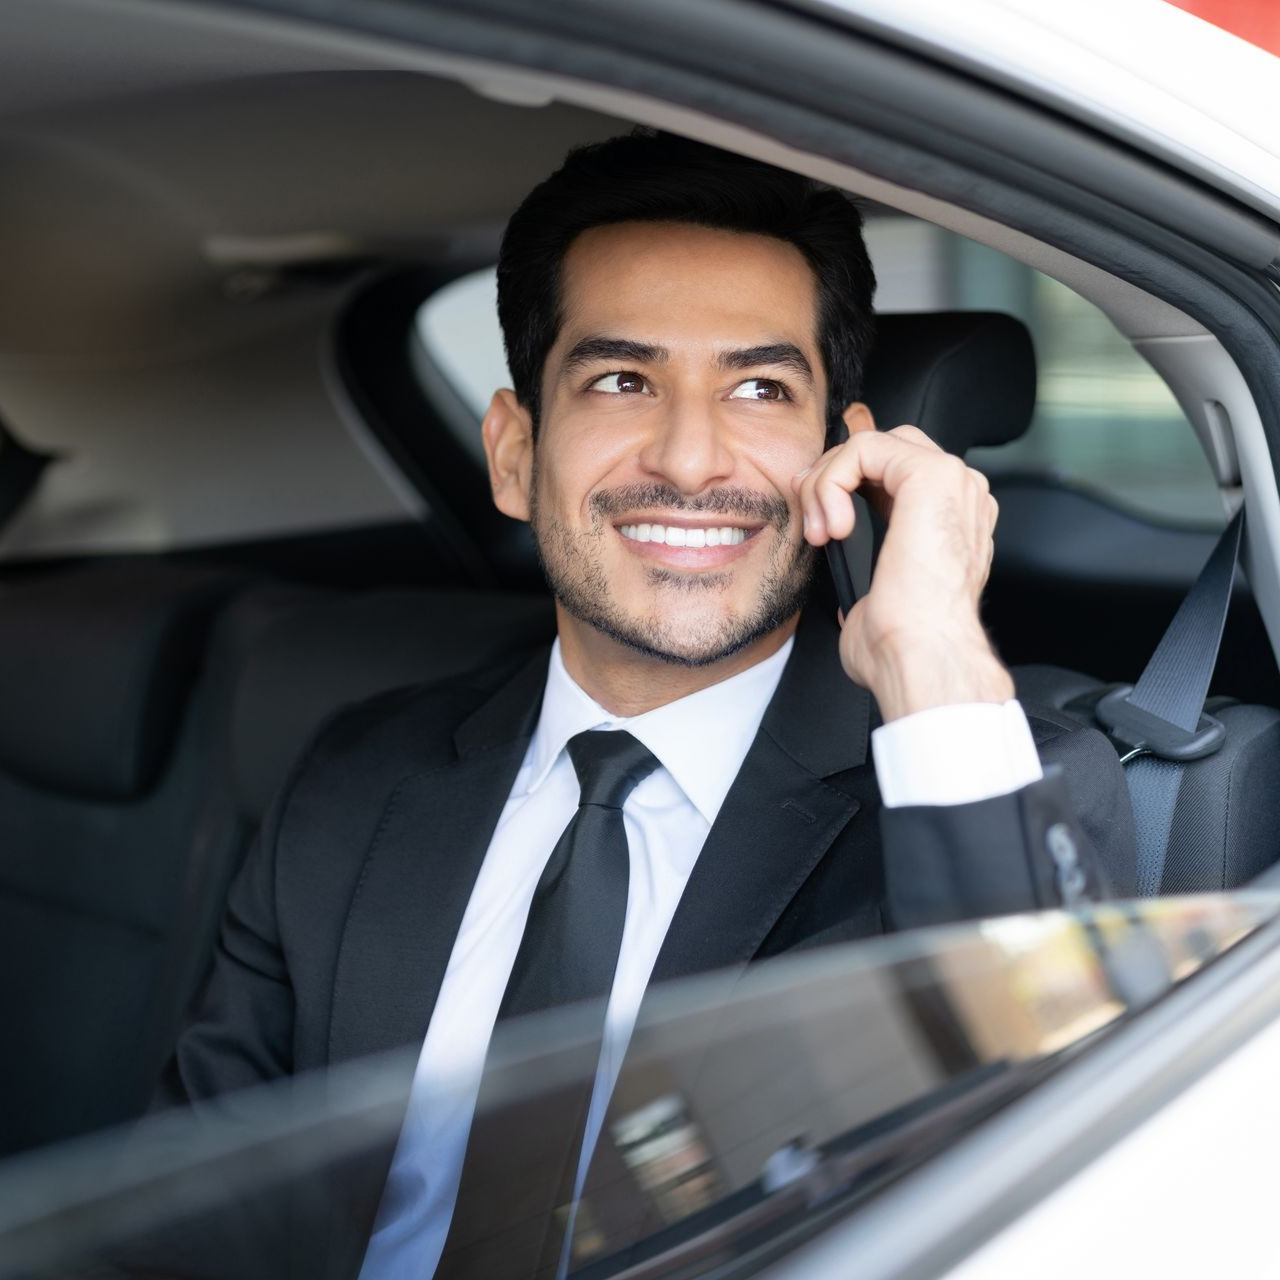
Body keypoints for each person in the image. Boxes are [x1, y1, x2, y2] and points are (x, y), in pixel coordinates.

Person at [156, 131, 1132, 1279]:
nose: (686, 456)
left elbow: (1055, 1189)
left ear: (843, 457)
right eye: (622, 379)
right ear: (515, 453)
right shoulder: (357, 774)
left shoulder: (972, 787)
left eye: (759, 388)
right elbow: (186, 1228)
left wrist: (925, 648)